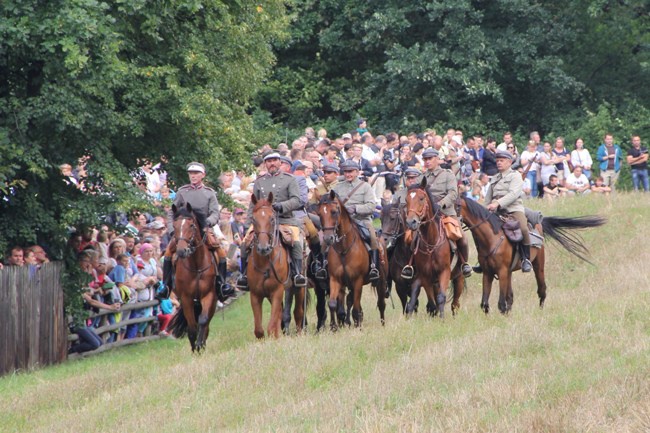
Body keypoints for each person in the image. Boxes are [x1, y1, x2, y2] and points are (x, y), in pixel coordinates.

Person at [162, 162, 234, 300]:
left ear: (203, 175)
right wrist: (172, 230)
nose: (193, 176)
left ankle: (222, 284)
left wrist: (207, 223)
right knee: (168, 253)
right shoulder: (182, 192)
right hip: (184, 231)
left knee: (221, 252)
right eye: (191, 173)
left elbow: (215, 213)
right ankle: (166, 286)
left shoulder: (209, 193)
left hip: (203, 230)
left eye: (196, 173)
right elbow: (172, 213)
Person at [237, 152, 306, 289]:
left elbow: (297, 200)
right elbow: (253, 205)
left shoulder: (289, 179)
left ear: (280, 162)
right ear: (265, 164)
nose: (272, 163)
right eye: (269, 161)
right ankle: (244, 275)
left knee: (296, 243)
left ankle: (297, 274)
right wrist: (247, 224)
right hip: (263, 222)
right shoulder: (259, 181)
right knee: (245, 243)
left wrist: (282, 206)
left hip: (285, 220)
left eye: (275, 160)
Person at [421, 148, 472, 277]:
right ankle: (411, 264)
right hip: (428, 216)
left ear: (437, 159)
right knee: (412, 236)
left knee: (462, 238)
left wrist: (441, 204)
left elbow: (453, 193)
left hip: (446, 212)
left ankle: (463, 263)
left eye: (430, 159)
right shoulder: (422, 177)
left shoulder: (447, 174)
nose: (427, 162)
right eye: (425, 159)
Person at [480, 150, 532, 272]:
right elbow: (488, 199)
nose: (498, 163)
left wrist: (497, 203)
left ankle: (525, 258)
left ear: (509, 162)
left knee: (523, 228)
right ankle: (483, 259)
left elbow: (513, 194)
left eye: (501, 161)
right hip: (496, 212)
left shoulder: (515, 176)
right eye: (497, 161)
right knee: (482, 230)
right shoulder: (494, 178)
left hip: (513, 209)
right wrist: (483, 211)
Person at [331, 160, 380, 281]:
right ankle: (322, 265)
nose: (348, 174)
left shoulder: (365, 187)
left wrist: (356, 208)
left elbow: (371, 206)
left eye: (351, 171)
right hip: (341, 223)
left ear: (357, 172)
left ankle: (374, 266)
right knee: (325, 241)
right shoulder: (337, 187)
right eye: (346, 172)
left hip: (361, 220)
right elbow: (330, 203)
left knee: (372, 238)